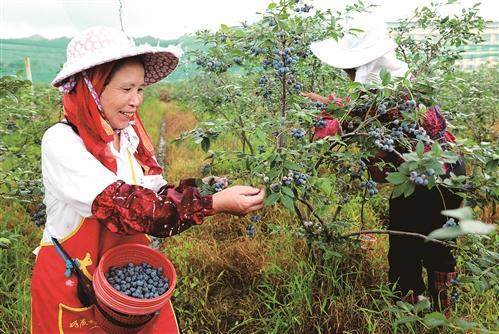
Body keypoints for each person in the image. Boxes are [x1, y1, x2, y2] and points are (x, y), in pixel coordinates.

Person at [31, 26, 265, 333]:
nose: (136, 101)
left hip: (127, 280)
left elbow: (156, 194)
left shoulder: (127, 138)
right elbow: (125, 206)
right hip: (75, 281)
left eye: (140, 89)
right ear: (92, 88)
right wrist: (212, 204)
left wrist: (205, 188)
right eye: (126, 89)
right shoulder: (62, 142)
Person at [302, 17, 464, 315]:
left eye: (351, 70)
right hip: (449, 169)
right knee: (437, 248)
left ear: (367, 67)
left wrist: (320, 124)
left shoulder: (385, 95)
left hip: (426, 178)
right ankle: (441, 316)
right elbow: (362, 112)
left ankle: (417, 314)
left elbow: (359, 126)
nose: (349, 76)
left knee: (407, 253)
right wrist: (329, 105)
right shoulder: (400, 81)